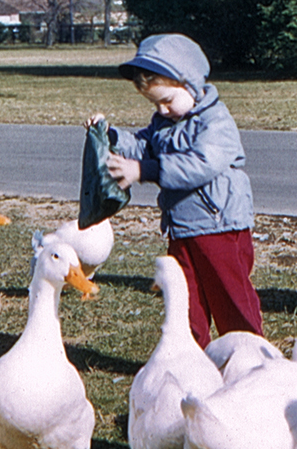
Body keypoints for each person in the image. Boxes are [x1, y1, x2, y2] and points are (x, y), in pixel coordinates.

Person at [87, 33, 263, 347]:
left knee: (229, 297)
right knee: (186, 298)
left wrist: (144, 170)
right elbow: (143, 145)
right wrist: (110, 135)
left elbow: (200, 164)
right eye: (156, 103)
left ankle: (250, 358)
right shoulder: (164, 123)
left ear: (191, 85)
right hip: (182, 229)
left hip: (219, 226)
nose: (163, 110)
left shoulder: (215, 122)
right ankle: (192, 356)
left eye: (167, 100)